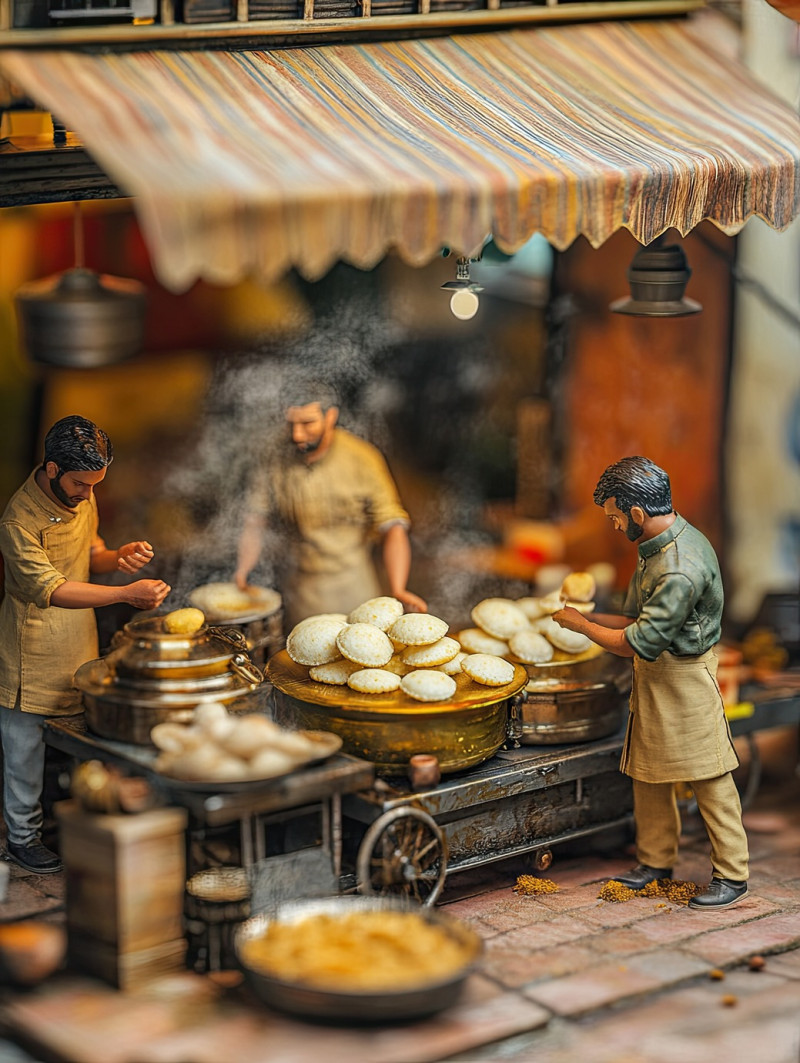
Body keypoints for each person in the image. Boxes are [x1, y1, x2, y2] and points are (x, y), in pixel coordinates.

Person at [553, 456, 749, 911]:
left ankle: (733, 874)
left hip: (683, 680)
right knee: (649, 774)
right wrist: (587, 616)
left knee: (709, 775)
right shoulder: (659, 547)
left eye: (615, 516)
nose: (615, 524)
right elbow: (635, 620)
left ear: (637, 514)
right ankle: (655, 861)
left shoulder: (679, 567)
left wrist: (583, 627)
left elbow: (638, 640)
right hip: (655, 679)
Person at [0, 416, 170, 874]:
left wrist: (120, 557)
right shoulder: (19, 520)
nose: (88, 494)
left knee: (79, 738)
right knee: (24, 751)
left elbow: (91, 552)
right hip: (31, 651)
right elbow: (52, 589)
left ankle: (76, 819)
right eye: (81, 483)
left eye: (95, 484)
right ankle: (22, 836)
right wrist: (123, 594)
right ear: (52, 468)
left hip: (79, 642)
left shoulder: (82, 496)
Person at [234, 380, 427, 628]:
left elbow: (393, 526)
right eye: (291, 423)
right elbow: (254, 520)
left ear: (331, 416)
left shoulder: (362, 458)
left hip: (353, 586)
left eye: (307, 423)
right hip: (300, 589)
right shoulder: (273, 457)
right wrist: (243, 570)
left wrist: (398, 587)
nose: (297, 434)